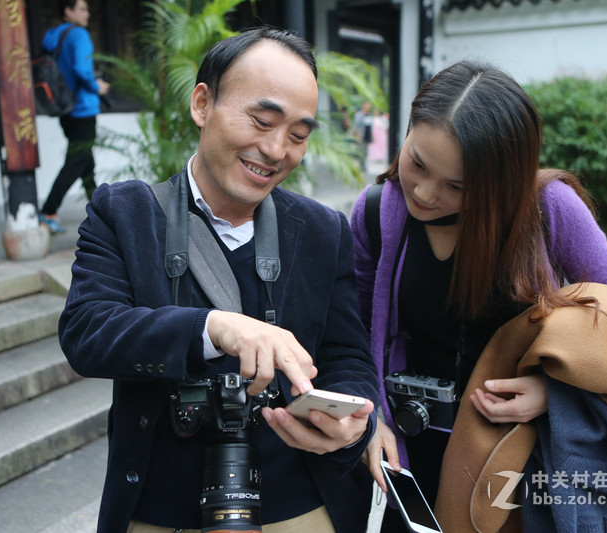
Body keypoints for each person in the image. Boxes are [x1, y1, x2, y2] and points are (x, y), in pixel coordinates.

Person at [59, 27, 379, 533]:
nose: (276, 150)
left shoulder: (323, 231)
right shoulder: (125, 212)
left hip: (297, 504)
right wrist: (212, 328)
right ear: (203, 104)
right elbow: (87, 331)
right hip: (160, 511)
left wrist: (350, 419)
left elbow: (347, 356)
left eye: (298, 135)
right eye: (262, 120)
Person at [349, 60, 607, 532]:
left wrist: (555, 394)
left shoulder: (547, 209)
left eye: (457, 187)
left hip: (521, 456)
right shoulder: (374, 213)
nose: (422, 192)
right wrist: (369, 415)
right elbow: (356, 329)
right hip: (408, 448)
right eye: (416, 162)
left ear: (499, 184)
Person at [38, 0, 110, 235]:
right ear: (68, 11)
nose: (87, 14)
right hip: (82, 109)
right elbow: (81, 68)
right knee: (76, 162)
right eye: (81, 9)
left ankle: (101, 212)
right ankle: (48, 211)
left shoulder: (54, 36)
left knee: (86, 161)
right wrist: (96, 86)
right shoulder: (78, 34)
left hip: (64, 108)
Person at [352, 101, 374, 171]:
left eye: (369, 105)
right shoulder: (360, 115)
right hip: (361, 137)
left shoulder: (370, 115)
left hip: (367, 136)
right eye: (367, 105)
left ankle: (363, 165)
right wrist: (358, 136)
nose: (368, 107)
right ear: (363, 106)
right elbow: (356, 126)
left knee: (365, 152)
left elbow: (370, 126)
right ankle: (362, 166)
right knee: (361, 152)